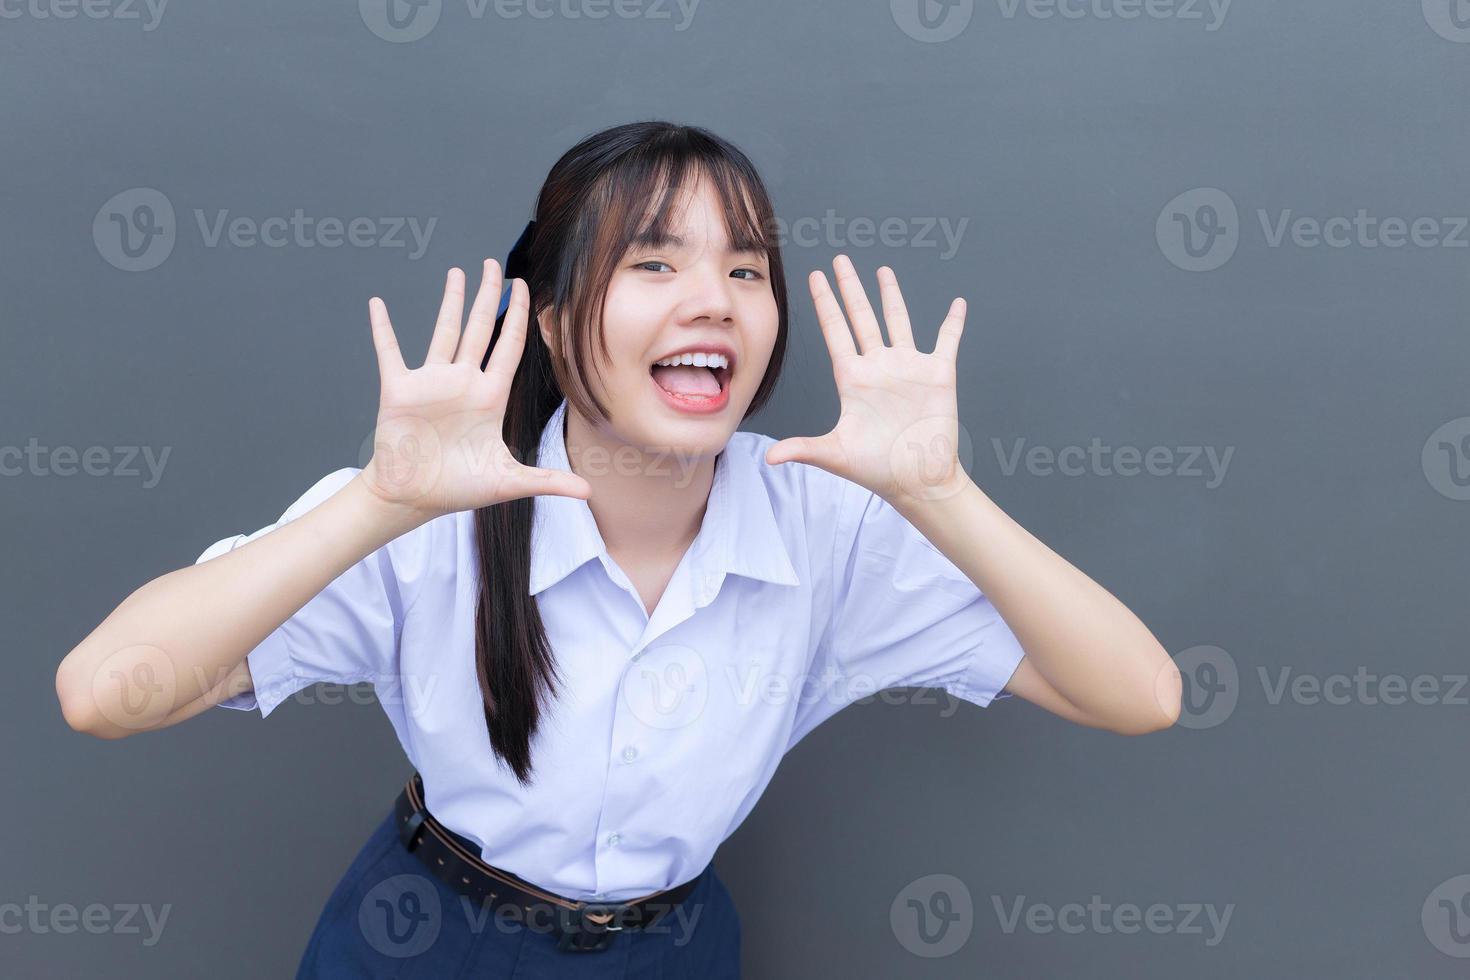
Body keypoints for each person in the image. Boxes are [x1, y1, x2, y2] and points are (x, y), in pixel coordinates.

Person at [55, 120, 1182, 977]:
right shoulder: (428, 507)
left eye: (746, 270)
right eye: (654, 263)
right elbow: (105, 693)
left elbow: (1140, 695)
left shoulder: (826, 519)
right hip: (423, 936)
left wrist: (942, 493)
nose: (716, 301)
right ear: (549, 317)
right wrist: (374, 503)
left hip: (674, 946)